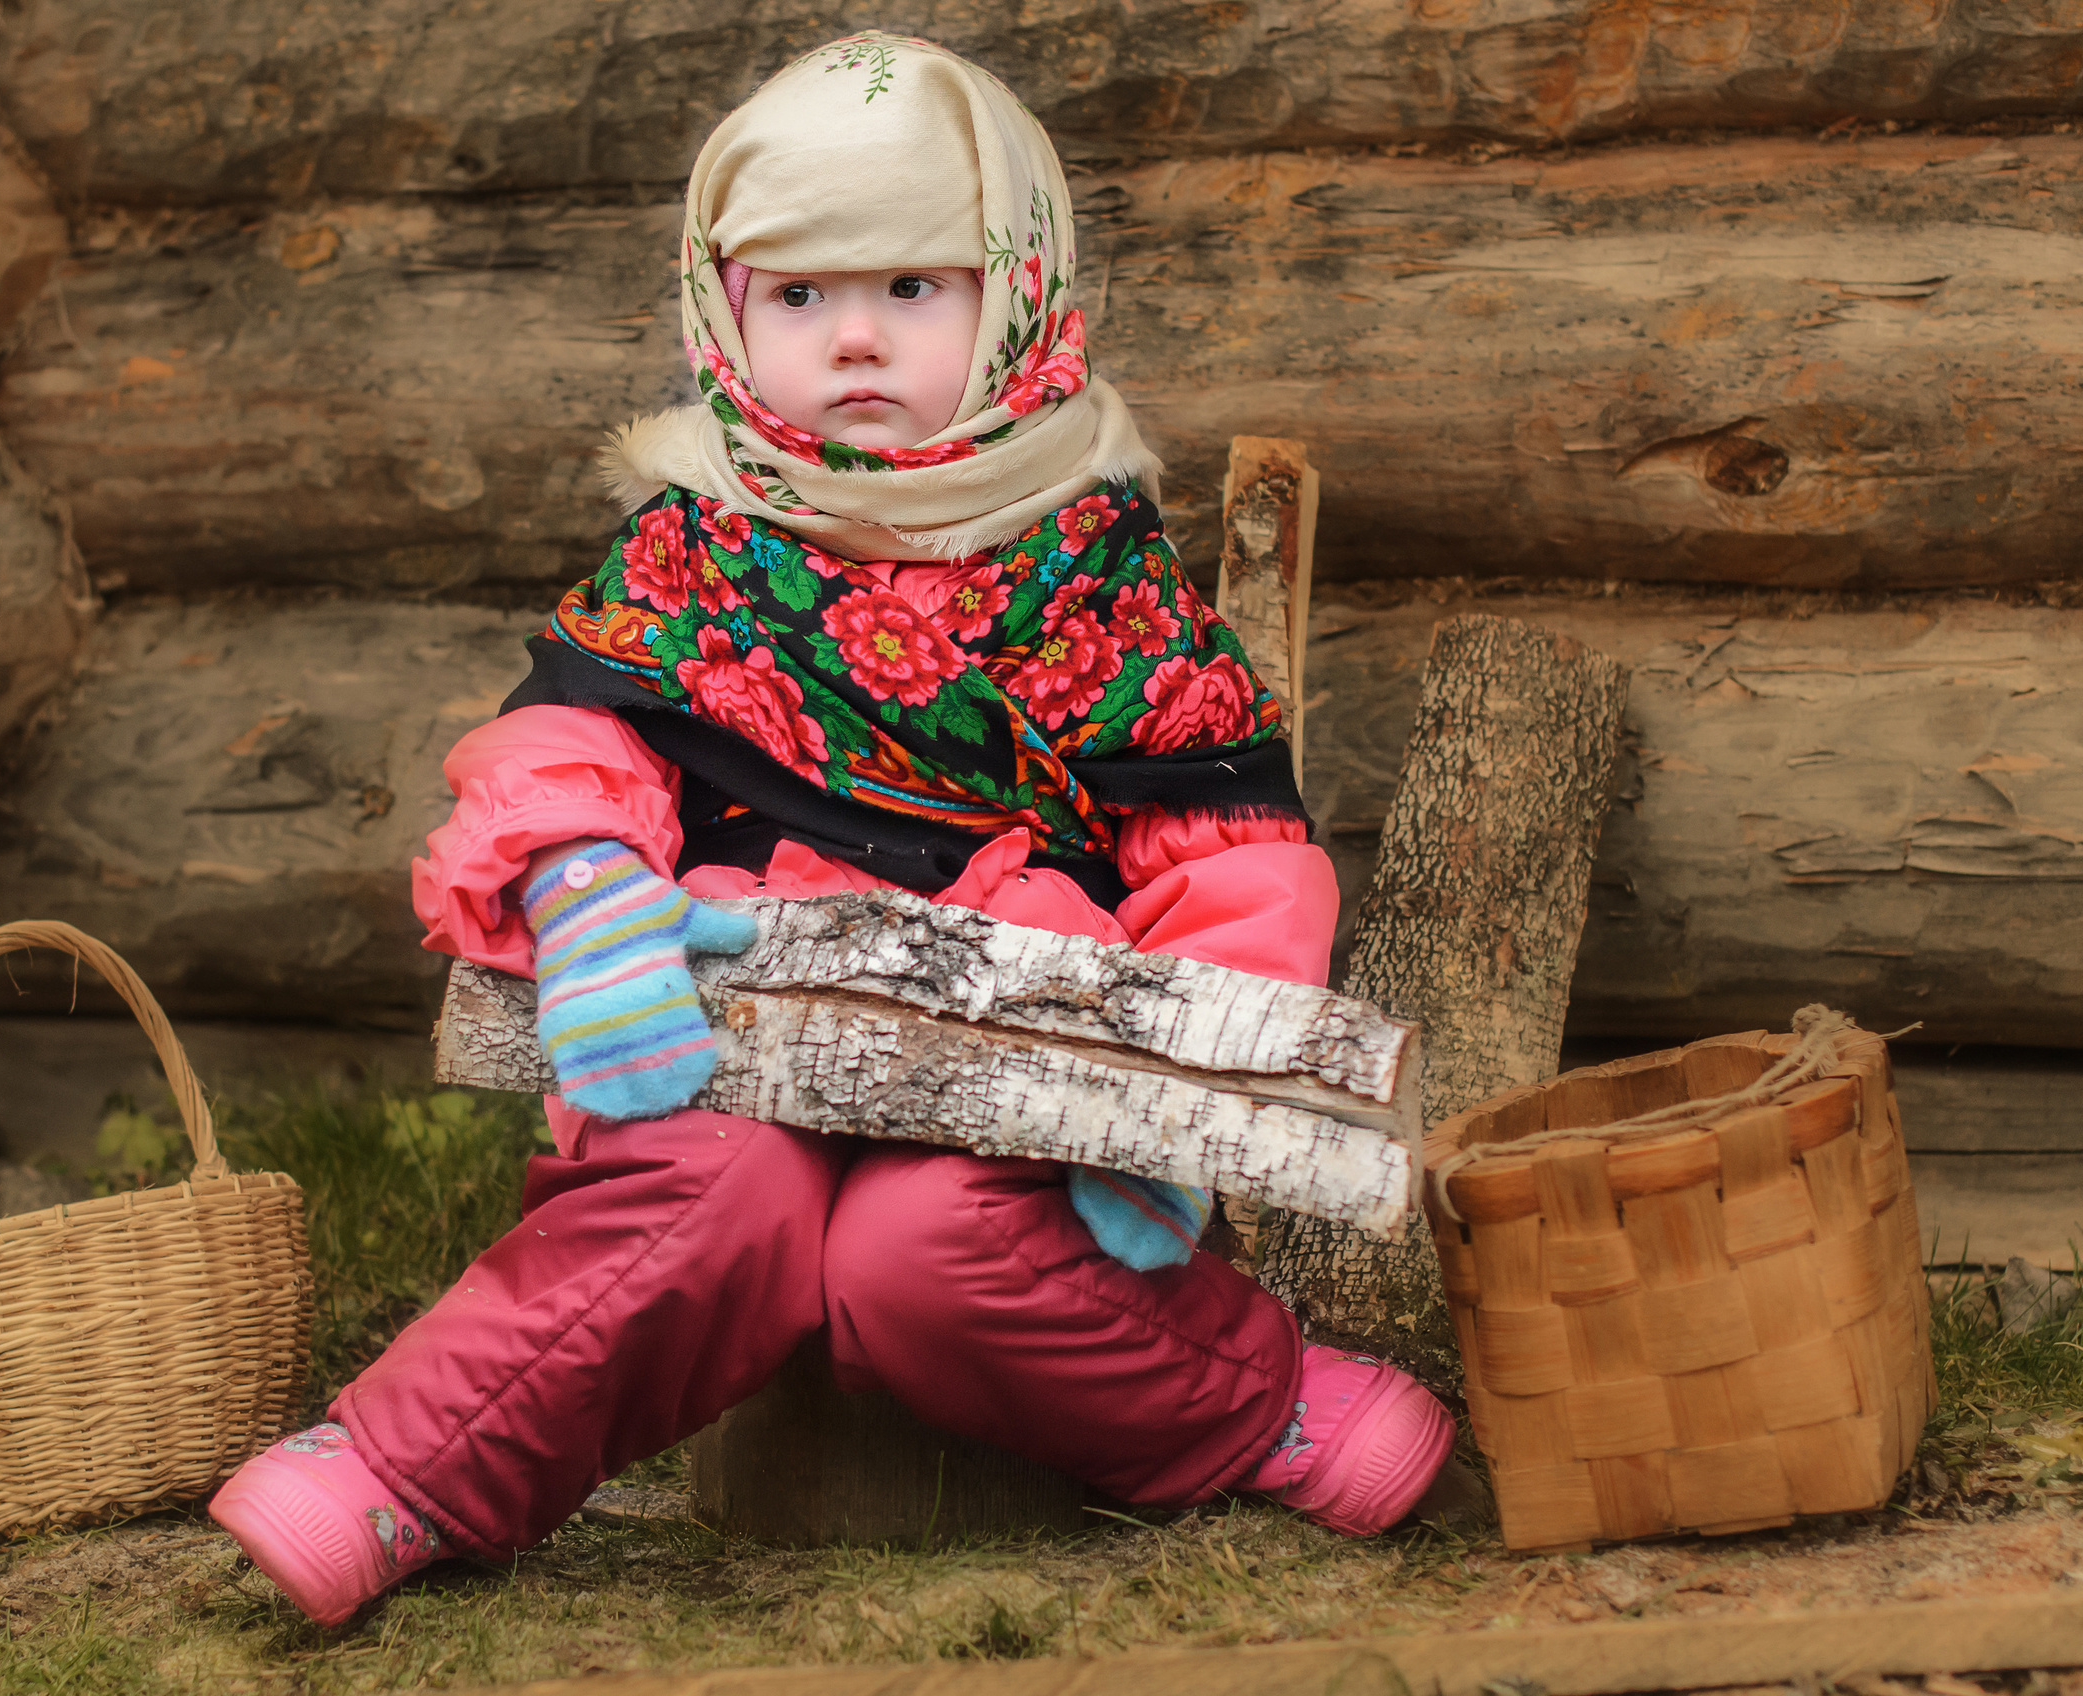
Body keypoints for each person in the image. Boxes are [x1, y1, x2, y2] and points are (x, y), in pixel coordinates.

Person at [208, 33, 1454, 1628]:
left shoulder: (1098, 570)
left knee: (924, 1258)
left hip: (1013, 1055)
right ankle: (408, 1471)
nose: (853, 338)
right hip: (723, 1016)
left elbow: (1227, 857)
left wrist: (1170, 1103)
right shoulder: (699, 547)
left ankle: (1251, 1404)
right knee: (706, 1202)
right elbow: (569, 741)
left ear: (1014, 296)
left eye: (912, 292)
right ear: (719, 313)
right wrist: (586, 882)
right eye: (795, 298)